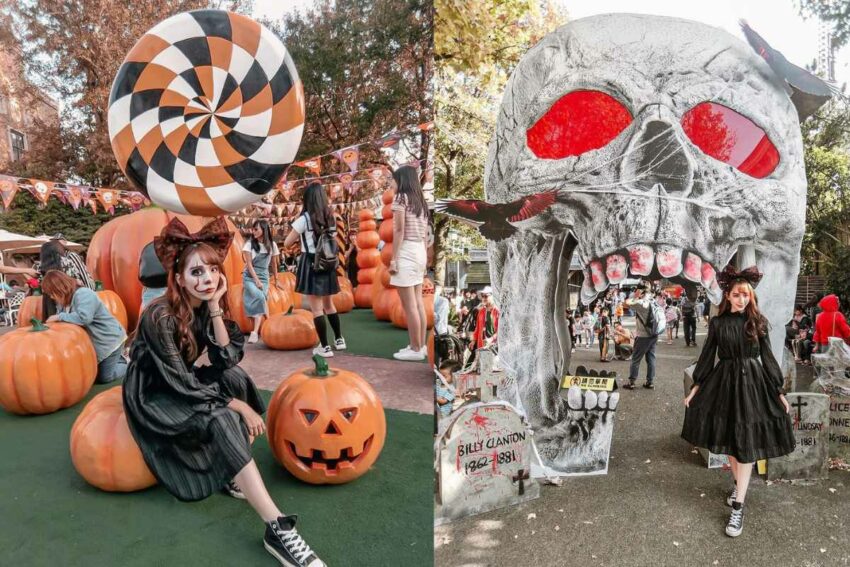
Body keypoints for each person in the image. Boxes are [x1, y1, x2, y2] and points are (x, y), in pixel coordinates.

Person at [123, 217, 325, 567]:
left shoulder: (207, 304)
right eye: (196, 273)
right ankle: (277, 528)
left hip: (181, 378)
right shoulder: (159, 316)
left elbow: (227, 355)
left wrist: (216, 306)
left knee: (236, 378)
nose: (206, 279)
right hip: (154, 391)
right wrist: (235, 407)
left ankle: (231, 468)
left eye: (212, 270)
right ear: (179, 278)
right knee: (222, 416)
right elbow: (179, 383)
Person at [682, 265, 794, 539]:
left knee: (744, 444)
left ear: (750, 297)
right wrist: (696, 387)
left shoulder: (757, 321)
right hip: (725, 383)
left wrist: (779, 390)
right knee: (732, 443)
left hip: (753, 385)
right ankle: (737, 486)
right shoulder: (719, 324)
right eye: (737, 294)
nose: (742, 299)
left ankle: (739, 506)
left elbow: (768, 358)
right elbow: (708, 355)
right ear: (728, 296)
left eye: (746, 295)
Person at [284, 183, 345, 358]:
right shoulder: (330, 217)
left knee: (316, 308)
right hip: (328, 263)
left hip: (311, 262)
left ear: (307, 200)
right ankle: (339, 339)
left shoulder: (304, 219)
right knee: (329, 304)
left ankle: (325, 347)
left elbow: (287, 242)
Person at [42, 270, 127, 384]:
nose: (52, 297)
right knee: (92, 374)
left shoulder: (83, 294)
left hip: (109, 341)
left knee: (104, 378)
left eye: (52, 293)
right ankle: (118, 359)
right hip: (96, 345)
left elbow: (84, 318)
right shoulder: (64, 303)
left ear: (59, 288)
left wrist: (59, 317)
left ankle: (131, 364)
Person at [388, 165, 429, 361]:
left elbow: (398, 231)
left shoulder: (400, 199)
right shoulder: (420, 201)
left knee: (409, 305)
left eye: (393, 180)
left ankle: (414, 348)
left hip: (406, 251)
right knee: (418, 303)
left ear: (402, 180)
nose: (391, 184)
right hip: (420, 250)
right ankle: (420, 346)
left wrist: (393, 259)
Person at [242, 220, 281, 344]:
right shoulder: (249, 244)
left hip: (264, 277)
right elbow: (249, 265)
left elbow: (274, 264)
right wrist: (256, 281)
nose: (253, 232)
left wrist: (276, 280)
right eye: (253, 229)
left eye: (256, 229)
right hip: (249, 277)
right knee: (260, 296)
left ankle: (257, 331)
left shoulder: (272, 245)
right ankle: (265, 324)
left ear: (264, 230)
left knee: (262, 298)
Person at [624, 284, 658, 390]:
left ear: (641, 292)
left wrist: (635, 296)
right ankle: (650, 382)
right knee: (651, 358)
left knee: (635, 359)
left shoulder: (641, 303)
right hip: (653, 334)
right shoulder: (653, 302)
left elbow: (625, 304)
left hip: (643, 336)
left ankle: (632, 382)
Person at [468, 286, 498, 364]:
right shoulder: (481, 311)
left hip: (495, 347)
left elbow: (500, 330)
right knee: (484, 368)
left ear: (492, 296)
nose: (483, 298)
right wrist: (473, 340)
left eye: (486, 296)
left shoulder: (497, 311)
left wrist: (491, 339)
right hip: (482, 345)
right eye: (482, 296)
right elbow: (477, 328)